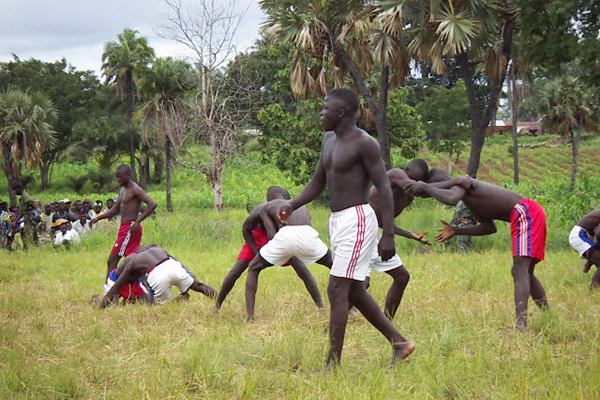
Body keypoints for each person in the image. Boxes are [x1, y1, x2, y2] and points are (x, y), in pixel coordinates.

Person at [283, 88, 415, 368]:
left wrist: (388, 233)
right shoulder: (328, 140)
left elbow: (384, 188)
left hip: (357, 219)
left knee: (336, 289)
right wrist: (291, 204)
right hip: (337, 221)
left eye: (325, 108)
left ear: (341, 112)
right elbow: (317, 183)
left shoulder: (364, 143)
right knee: (353, 289)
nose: (321, 113)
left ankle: (332, 365)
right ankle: (399, 342)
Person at [405, 174, 549, 331]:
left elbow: (454, 194)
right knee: (526, 272)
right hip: (528, 213)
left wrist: (426, 186)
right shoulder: (471, 203)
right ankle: (548, 316)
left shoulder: (462, 184)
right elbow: (489, 228)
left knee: (519, 270)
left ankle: (521, 325)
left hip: (525, 212)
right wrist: (456, 230)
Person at [215, 186, 322, 311]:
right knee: (235, 272)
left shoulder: (292, 209)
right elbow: (245, 230)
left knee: (302, 270)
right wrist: (257, 252)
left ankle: (321, 306)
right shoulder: (260, 210)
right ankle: (218, 305)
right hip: (258, 237)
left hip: (282, 238)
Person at [245, 197, 330, 321]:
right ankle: (324, 306)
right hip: (307, 234)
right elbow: (308, 227)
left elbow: (271, 235)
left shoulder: (266, 206)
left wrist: (265, 253)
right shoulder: (302, 206)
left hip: (285, 236)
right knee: (336, 266)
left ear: (269, 199)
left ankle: (250, 317)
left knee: (253, 268)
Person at [366, 159, 431, 320]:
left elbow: (383, 222)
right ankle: (333, 326)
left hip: (373, 231)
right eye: (412, 178)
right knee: (361, 282)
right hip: (360, 225)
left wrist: (410, 235)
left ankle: (387, 320)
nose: (413, 183)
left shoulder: (407, 198)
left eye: (418, 181)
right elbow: (410, 185)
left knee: (402, 277)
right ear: (407, 170)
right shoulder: (395, 174)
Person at [95, 244, 216, 307]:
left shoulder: (136, 260)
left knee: (153, 306)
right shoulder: (158, 250)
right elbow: (179, 264)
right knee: (200, 286)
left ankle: (129, 301)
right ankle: (221, 300)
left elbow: (119, 287)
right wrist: (193, 282)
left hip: (153, 276)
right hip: (172, 266)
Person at [90, 165, 157, 277]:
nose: (118, 180)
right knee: (133, 262)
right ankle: (143, 287)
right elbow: (115, 209)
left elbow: (152, 204)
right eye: (116, 177)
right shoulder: (122, 190)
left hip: (130, 228)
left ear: (128, 176)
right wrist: (98, 218)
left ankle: (110, 290)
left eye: (120, 177)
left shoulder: (135, 189)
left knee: (112, 260)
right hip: (125, 228)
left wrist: (137, 222)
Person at [569, 210, 600, 290]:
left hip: (586, 236)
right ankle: (592, 292)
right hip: (580, 235)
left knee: (596, 257)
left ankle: (589, 263)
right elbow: (598, 234)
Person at [11, 181, 38, 248]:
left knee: (28, 236)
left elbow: (30, 203)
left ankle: (29, 250)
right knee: (31, 236)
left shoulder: (25, 196)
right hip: (27, 219)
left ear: (19, 188)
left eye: (15, 190)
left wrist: (31, 209)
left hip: (29, 219)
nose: (15, 192)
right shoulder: (23, 196)